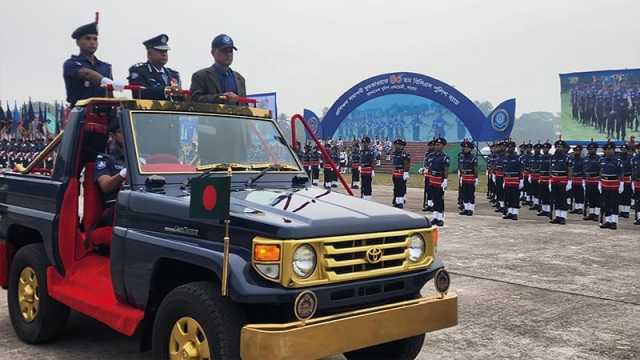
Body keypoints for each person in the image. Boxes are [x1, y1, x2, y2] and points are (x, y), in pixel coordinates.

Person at [63, 21, 124, 107]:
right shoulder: (71, 63)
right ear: (78, 42)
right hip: (81, 113)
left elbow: (109, 94)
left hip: (105, 114)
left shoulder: (105, 67)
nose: (92, 42)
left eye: (95, 39)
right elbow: (87, 73)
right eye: (88, 38)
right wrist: (105, 81)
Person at [190, 34, 247, 105]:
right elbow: (194, 100)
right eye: (224, 51)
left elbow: (244, 104)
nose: (228, 54)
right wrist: (221, 98)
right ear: (213, 52)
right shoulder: (201, 76)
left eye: (230, 51)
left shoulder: (240, 79)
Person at [128, 34, 182, 100]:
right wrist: (165, 90)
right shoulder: (139, 71)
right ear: (149, 53)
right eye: (160, 51)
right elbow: (139, 93)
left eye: (166, 51)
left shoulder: (173, 74)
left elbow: (179, 97)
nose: (164, 54)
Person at [95, 120, 127, 227]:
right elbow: (106, 185)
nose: (125, 134)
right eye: (120, 131)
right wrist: (125, 172)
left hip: (134, 203)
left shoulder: (137, 158)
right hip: (114, 207)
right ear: (112, 135)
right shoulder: (104, 159)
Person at [599, 141, 624, 230]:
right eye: (606, 150)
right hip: (604, 185)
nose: (608, 151)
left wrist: (621, 184)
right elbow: (601, 172)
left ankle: (614, 222)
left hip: (614, 186)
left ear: (613, 150)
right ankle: (608, 221)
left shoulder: (618, 161)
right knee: (606, 204)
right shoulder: (602, 160)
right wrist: (600, 183)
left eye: (610, 149)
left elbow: (621, 174)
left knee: (614, 204)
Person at [427, 138, 449, 226]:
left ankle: (441, 218)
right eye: (436, 145)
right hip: (432, 179)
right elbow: (429, 166)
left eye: (439, 145)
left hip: (440, 179)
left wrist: (445, 180)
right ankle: (435, 217)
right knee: (434, 199)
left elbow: (446, 169)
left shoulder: (444, 157)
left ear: (443, 146)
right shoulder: (431, 155)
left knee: (440, 199)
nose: (437, 146)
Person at [549, 139, 571, 224]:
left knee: (562, 199)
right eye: (557, 146)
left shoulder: (567, 157)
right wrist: (550, 179)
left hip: (563, 180)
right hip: (554, 180)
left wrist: (569, 181)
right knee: (556, 199)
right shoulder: (553, 157)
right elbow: (551, 169)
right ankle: (557, 216)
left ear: (564, 148)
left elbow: (570, 170)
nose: (558, 148)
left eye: (560, 147)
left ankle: (563, 217)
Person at [502, 141, 523, 220]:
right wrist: (504, 180)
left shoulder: (518, 158)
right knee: (508, 197)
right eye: (508, 147)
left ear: (514, 148)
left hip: (515, 180)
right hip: (507, 180)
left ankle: (515, 213)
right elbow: (504, 170)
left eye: (511, 147)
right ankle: (510, 212)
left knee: (515, 197)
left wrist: (521, 180)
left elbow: (521, 170)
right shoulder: (505, 158)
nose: (509, 149)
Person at [458, 139, 478, 216]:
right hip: (464, 177)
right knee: (464, 193)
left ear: (470, 149)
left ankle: (471, 209)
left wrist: (476, 178)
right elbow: (460, 167)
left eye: (467, 148)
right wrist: (461, 176)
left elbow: (475, 169)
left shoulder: (473, 157)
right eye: (465, 148)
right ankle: (466, 209)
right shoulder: (462, 157)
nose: (466, 149)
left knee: (470, 194)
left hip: (470, 177)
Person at [583, 141, 602, 221]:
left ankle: (596, 214)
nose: (591, 150)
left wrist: (600, 181)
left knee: (597, 198)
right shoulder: (586, 158)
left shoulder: (599, 158)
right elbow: (584, 169)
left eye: (593, 149)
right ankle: (591, 214)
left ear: (596, 150)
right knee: (590, 198)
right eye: (589, 149)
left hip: (596, 180)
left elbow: (601, 170)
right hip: (588, 180)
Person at [391, 139, 411, 208]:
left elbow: (407, 164)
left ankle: (400, 202)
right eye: (395, 145)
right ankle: (396, 200)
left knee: (401, 188)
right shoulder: (394, 153)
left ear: (401, 146)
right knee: (396, 188)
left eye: (398, 145)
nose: (396, 146)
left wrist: (406, 172)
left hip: (401, 172)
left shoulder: (404, 154)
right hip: (395, 172)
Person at [537, 141, 553, 217]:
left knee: (548, 195)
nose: (544, 149)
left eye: (546, 148)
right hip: (541, 177)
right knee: (542, 194)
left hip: (547, 178)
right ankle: (544, 210)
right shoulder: (541, 157)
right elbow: (539, 168)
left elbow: (551, 168)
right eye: (543, 148)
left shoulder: (551, 157)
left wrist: (550, 178)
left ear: (549, 149)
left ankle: (548, 210)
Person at [569, 145, 586, 214]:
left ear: (581, 151)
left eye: (578, 151)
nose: (577, 152)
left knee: (580, 194)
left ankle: (580, 208)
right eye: (576, 151)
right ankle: (576, 208)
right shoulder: (572, 160)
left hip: (580, 179)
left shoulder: (583, 160)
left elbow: (585, 169)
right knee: (574, 194)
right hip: (573, 179)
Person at [618, 143, 633, 218]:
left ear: (627, 150)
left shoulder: (630, 158)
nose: (623, 150)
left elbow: (633, 169)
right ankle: (623, 211)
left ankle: (626, 211)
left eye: (625, 149)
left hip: (628, 179)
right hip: (621, 180)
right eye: (622, 149)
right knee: (622, 196)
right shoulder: (619, 158)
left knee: (627, 195)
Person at [420, 139, 435, 212]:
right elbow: (425, 163)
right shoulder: (427, 153)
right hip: (427, 175)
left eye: (432, 146)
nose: (430, 147)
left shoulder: (436, 154)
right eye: (429, 146)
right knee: (427, 190)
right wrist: (423, 169)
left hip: (434, 175)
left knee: (433, 191)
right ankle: (429, 205)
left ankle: (433, 205)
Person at [631, 142, 640, 225]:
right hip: (637, 183)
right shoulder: (635, 158)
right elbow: (633, 170)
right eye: (638, 148)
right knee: (638, 201)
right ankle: (638, 218)